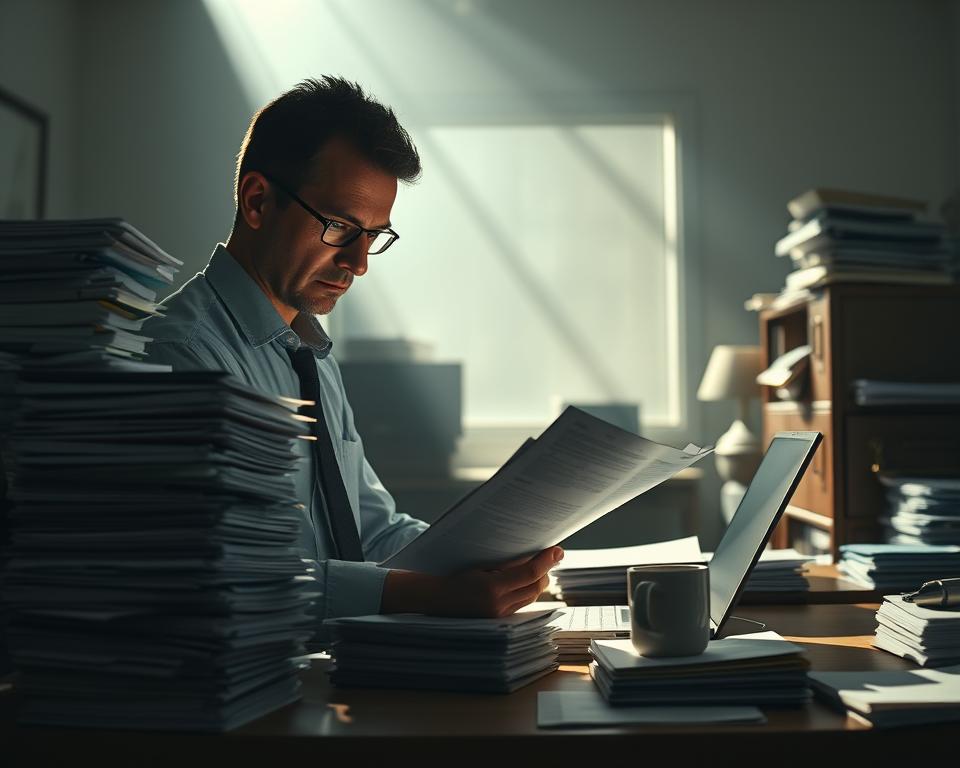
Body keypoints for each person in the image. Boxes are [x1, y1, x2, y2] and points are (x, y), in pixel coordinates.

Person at [145, 77, 561, 628]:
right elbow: (224, 575)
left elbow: (370, 531)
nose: (359, 263)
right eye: (339, 226)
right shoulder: (181, 357)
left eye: (375, 235)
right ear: (257, 201)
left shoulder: (309, 355)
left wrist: (488, 562)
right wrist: (427, 596)